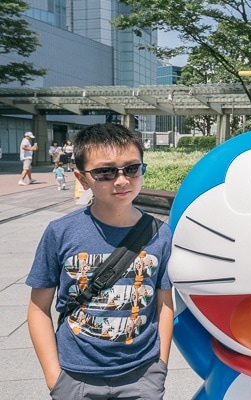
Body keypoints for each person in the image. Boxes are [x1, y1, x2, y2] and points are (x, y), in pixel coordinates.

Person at [26, 123, 174, 400]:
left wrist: (160, 368)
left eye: (131, 168)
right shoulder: (60, 232)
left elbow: (164, 304)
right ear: (82, 179)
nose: (121, 180)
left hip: (142, 373)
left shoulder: (160, 233)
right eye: (105, 172)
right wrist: (54, 377)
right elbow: (38, 308)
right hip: (75, 376)